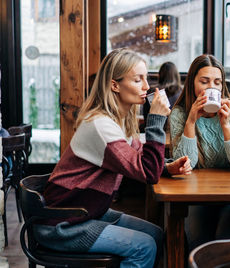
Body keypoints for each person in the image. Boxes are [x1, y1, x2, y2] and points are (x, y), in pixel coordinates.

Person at [33, 48, 192, 268]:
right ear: (114, 85)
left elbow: (140, 160)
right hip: (63, 225)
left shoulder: (119, 121)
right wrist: (155, 119)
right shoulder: (101, 125)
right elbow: (147, 173)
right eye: (138, 80)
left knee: (155, 234)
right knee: (144, 246)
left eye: (147, 78)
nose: (147, 86)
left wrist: (167, 167)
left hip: (88, 213)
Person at [168, 54, 230, 251]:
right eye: (204, 82)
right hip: (197, 195)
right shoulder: (180, 114)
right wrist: (191, 121)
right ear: (192, 84)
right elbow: (187, 163)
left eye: (217, 82)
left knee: (226, 241)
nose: (211, 88)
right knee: (201, 245)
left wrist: (225, 125)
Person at [142, 61, 183, 129]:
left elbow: (146, 116)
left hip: (153, 127)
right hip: (175, 130)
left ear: (160, 75)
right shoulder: (181, 92)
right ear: (176, 75)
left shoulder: (152, 91)